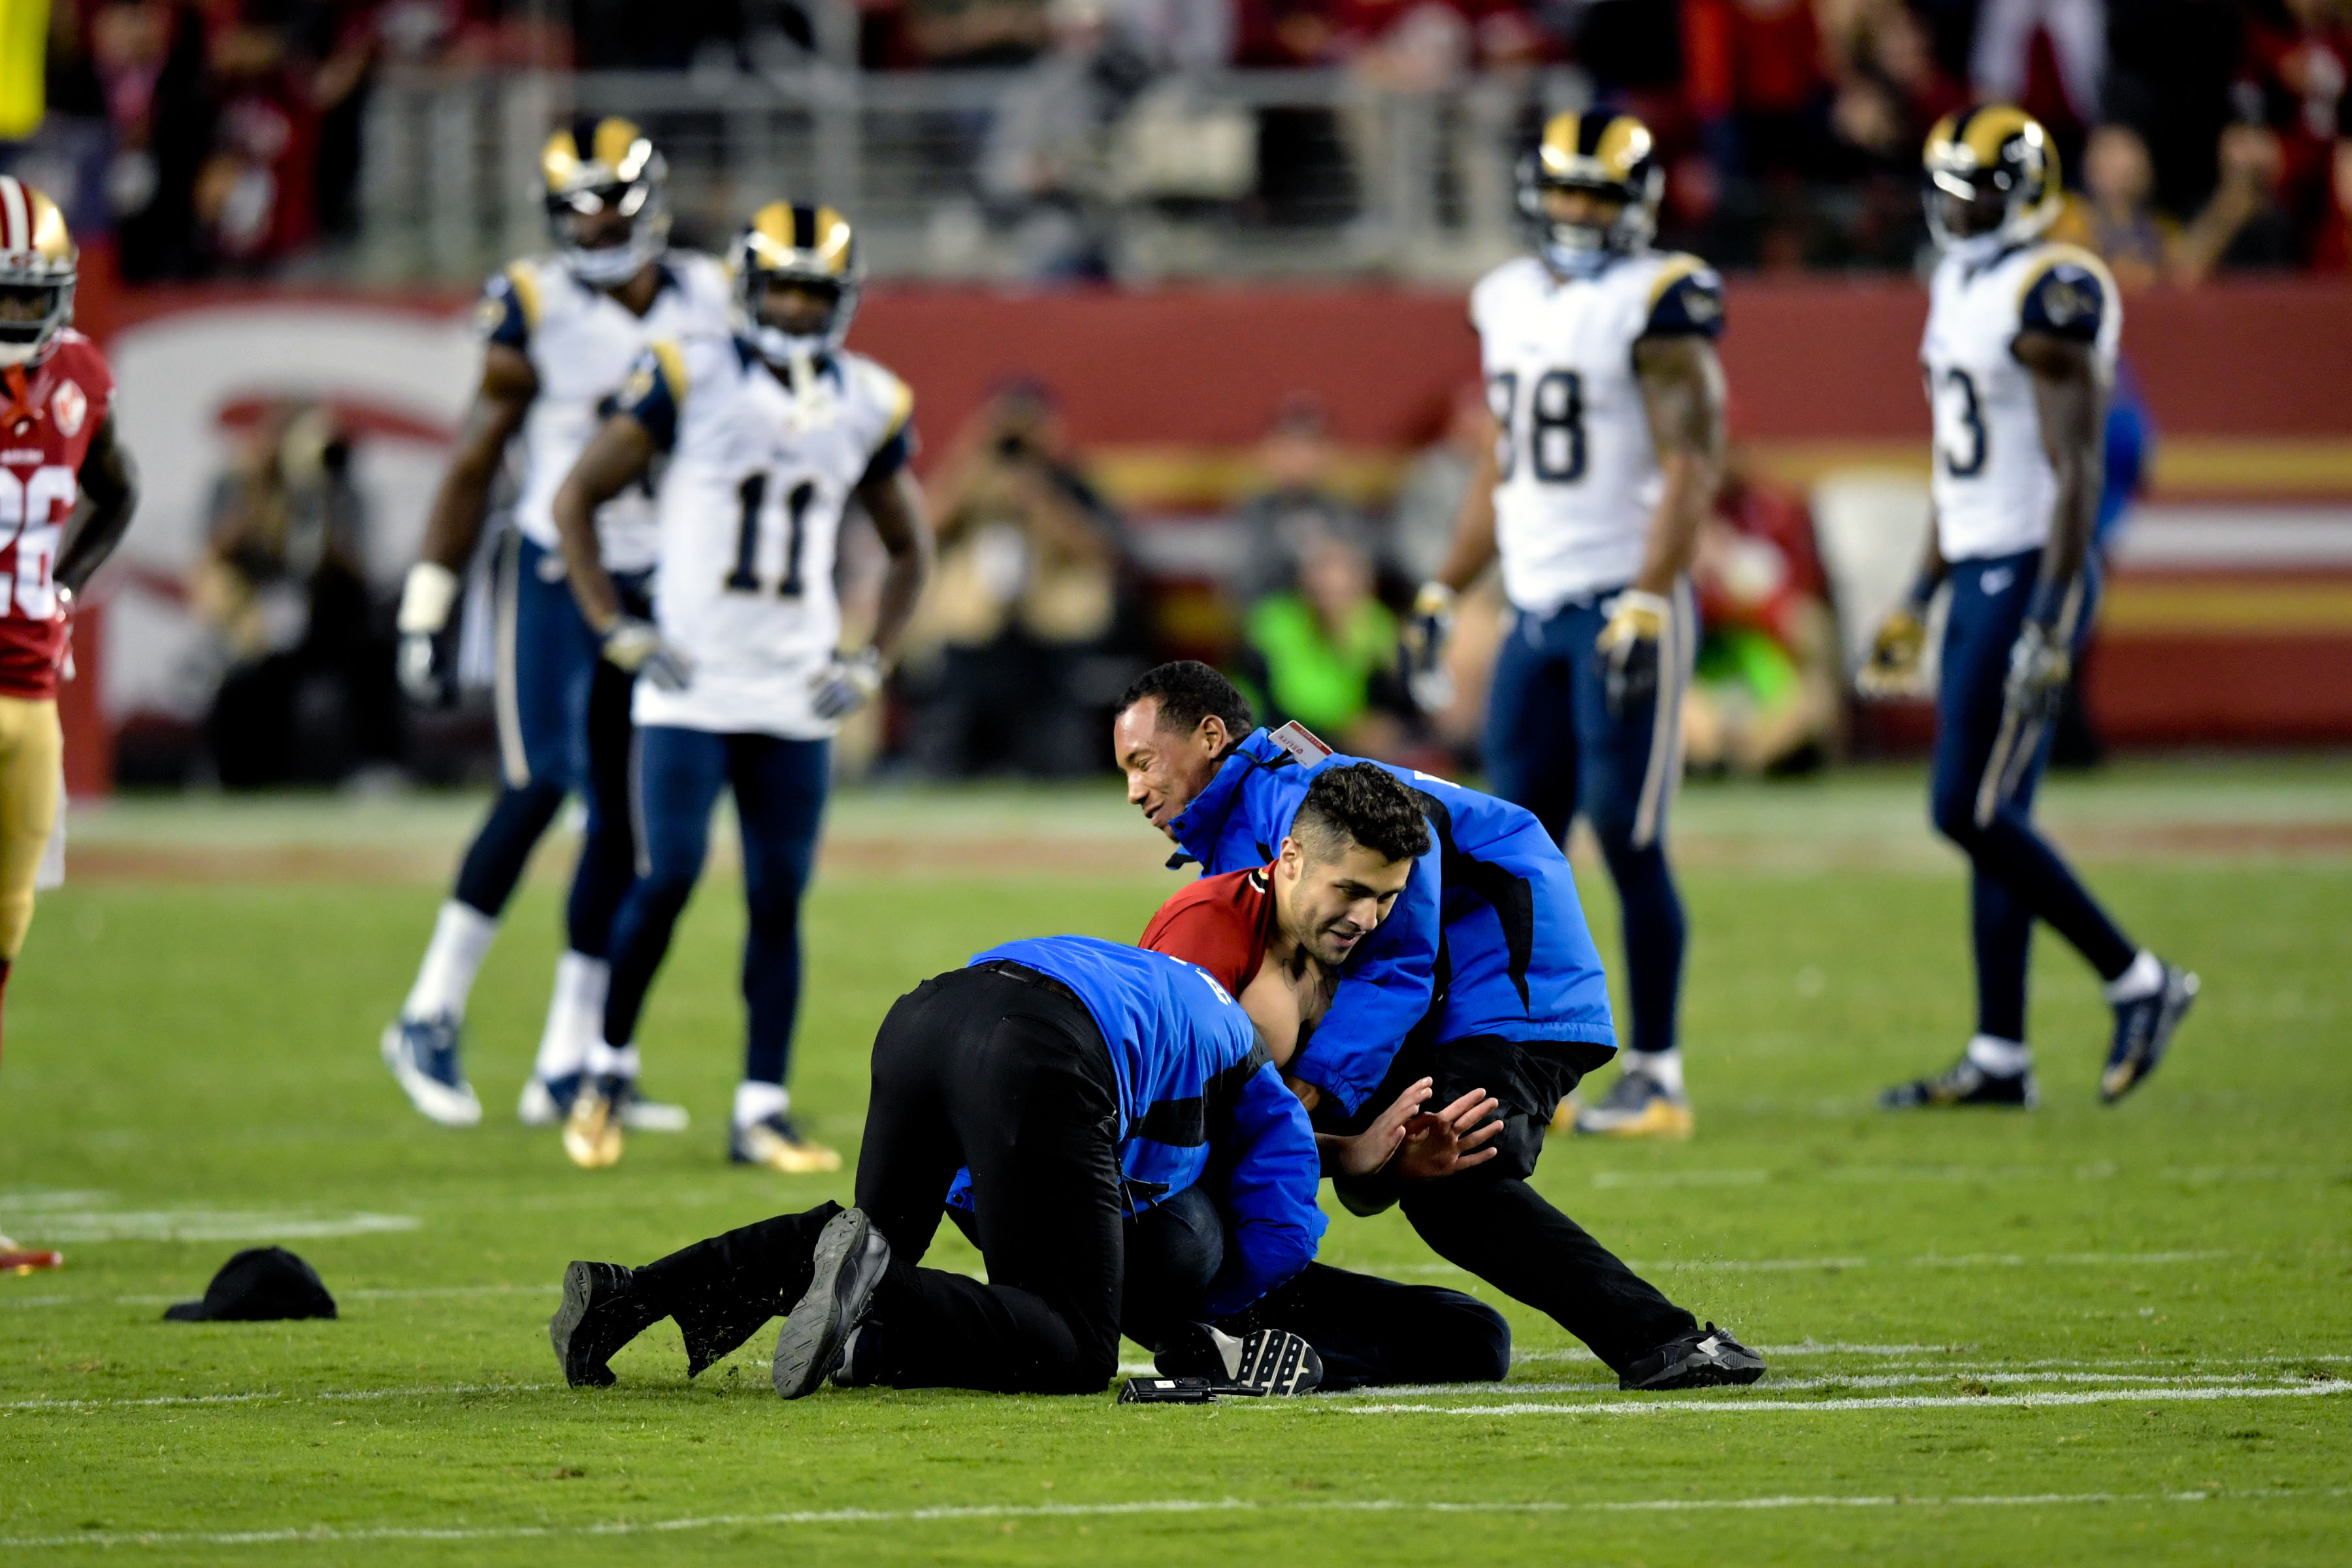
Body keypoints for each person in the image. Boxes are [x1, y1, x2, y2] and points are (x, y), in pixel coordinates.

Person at [1112, 660, 1765, 1392]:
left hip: (1510, 993)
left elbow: (1396, 964)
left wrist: (1302, 1098)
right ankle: (1242, 1329)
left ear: (1208, 736)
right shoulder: (1256, 816)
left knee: (1451, 1177)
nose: (1135, 789)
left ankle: (1666, 1343)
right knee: (1384, 1162)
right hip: (1444, 1000)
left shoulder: (1307, 802)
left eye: (1143, 762)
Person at [549, 201, 933, 1173]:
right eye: (785, 289)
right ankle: (604, 1067)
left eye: (817, 292)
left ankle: (760, 1105)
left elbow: (910, 549)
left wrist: (870, 655)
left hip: (795, 687)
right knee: (668, 873)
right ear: (749, 287)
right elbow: (576, 497)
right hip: (689, 680)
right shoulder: (691, 372)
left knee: (777, 895)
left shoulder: (869, 399)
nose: (799, 310)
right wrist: (613, 624)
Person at [378, 118, 734, 1132]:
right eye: (576, 205)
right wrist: (431, 599)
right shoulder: (531, 301)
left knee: (625, 822)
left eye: (611, 201)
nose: (596, 223)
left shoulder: (711, 295)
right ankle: (428, 1011)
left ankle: (567, 1063)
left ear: (650, 199)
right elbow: (475, 455)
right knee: (538, 782)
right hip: (553, 567)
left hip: (662, 578)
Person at [546, 936, 1324, 1398]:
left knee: (858, 1241)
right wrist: (1206, 1322)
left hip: (926, 1017)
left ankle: (628, 1298)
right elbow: (1284, 1229)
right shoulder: (1253, 1071)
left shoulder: (1171, 995)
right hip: (1038, 1048)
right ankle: (876, 1295)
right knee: (1081, 1350)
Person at [1859, 106, 2198, 1111]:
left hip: (2030, 569)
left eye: (1982, 190)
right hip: (1978, 565)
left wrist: (2054, 612)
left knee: (1967, 808)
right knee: (1991, 817)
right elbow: (1960, 469)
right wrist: (1920, 591)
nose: (1962, 208)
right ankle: (2001, 1054)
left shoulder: (2054, 285)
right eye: (1951, 188)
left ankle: (2139, 979)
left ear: (2031, 191)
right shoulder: (1959, 281)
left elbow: (2077, 466)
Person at [1403, 110, 1727, 1141]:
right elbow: (1501, 464)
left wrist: (1645, 594)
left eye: (1599, 193)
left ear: (1635, 204)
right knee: (1504, 851)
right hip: (1533, 608)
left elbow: (1693, 460)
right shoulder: (1504, 297)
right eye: (1568, 192)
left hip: (1616, 604)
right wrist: (1446, 587)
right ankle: (1510, 1055)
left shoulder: (1659, 296)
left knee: (1628, 836)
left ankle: (1661, 1074)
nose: (1580, 212)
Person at [1135, 760, 1512, 1391]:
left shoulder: (1345, 963)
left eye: (1387, 898)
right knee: (1189, 1244)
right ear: (1290, 858)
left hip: (1243, 1238)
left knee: (1473, 1334)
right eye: (1351, 891)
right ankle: (1211, 1338)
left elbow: (1255, 1125)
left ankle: (1230, 1354)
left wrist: (1378, 1161)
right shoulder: (1206, 931)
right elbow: (1165, 1132)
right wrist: (1346, 1155)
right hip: (1162, 1212)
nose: (1367, 918)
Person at [0, 176, 139, 1066]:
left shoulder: (78, 375)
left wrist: (63, 585)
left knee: (7, 935)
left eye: (31, 291)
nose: (22, 311)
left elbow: (118, 492)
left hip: (32, 687)